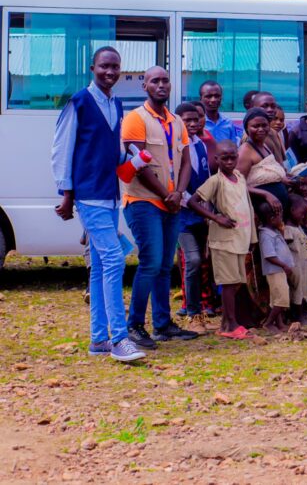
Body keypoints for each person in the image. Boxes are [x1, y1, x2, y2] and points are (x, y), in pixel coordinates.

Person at [51, 46, 146, 363]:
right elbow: (62, 148)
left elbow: (112, 149)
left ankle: (98, 340)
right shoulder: (79, 101)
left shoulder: (116, 104)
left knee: (102, 266)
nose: (110, 72)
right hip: (88, 194)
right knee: (115, 259)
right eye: (105, 66)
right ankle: (119, 339)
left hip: (110, 193)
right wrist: (66, 193)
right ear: (93, 68)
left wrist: (134, 158)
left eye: (115, 67)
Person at [121, 66, 198, 348]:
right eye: (155, 81)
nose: (161, 85)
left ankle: (163, 325)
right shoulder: (135, 119)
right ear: (145, 86)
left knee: (166, 266)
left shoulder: (177, 121)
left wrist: (178, 193)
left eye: (166, 80)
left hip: (171, 202)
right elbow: (137, 166)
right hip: (143, 201)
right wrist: (168, 195)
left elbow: (186, 162)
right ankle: (135, 326)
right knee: (151, 262)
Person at [186, 140, 256, 339]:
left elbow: (247, 207)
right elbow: (193, 202)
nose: (229, 161)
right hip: (223, 240)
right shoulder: (215, 181)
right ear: (216, 160)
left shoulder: (239, 177)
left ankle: (227, 323)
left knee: (236, 282)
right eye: (224, 158)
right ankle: (230, 325)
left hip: (240, 239)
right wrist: (216, 217)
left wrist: (252, 237)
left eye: (233, 157)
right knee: (228, 282)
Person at [174, 102, 218, 335]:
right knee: (191, 261)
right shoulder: (175, 147)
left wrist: (209, 210)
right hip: (183, 216)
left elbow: (207, 180)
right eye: (187, 120)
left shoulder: (200, 144)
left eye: (196, 119)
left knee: (202, 261)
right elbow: (178, 188)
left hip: (201, 216)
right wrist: (201, 208)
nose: (193, 124)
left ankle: (200, 311)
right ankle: (192, 315)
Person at [238, 108, 292, 216]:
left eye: (264, 125)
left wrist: (284, 179)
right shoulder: (245, 151)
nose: (261, 129)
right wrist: (266, 194)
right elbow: (237, 185)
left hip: (276, 214)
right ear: (247, 128)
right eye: (255, 126)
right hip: (260, 211)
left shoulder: (265, 146)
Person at [256, 202, 297, 334]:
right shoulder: (266, 235)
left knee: (276, 298)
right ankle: (268, 323)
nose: (282, 219)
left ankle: (279, 324)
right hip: (275, 271)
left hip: (279, 271)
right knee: (282, 298)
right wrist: (284, 265)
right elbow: (269, 255)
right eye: (280, 216)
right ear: (272, 219)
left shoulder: (274, 231)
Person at [284, 194, 307, 325]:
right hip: (297, 266)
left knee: (304, 290)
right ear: (292, 211)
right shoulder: (288, 229)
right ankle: (297, 316)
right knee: (298, 291)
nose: (304, 217)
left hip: (305, 265)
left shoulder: (298, 226)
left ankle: (302, 313)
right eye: (302, 213)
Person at [250, 92, 285, 163]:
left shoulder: (274, 133)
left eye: (273, 106)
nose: (270, 109)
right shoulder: (252, 134)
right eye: (264, 106)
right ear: (253, 108)